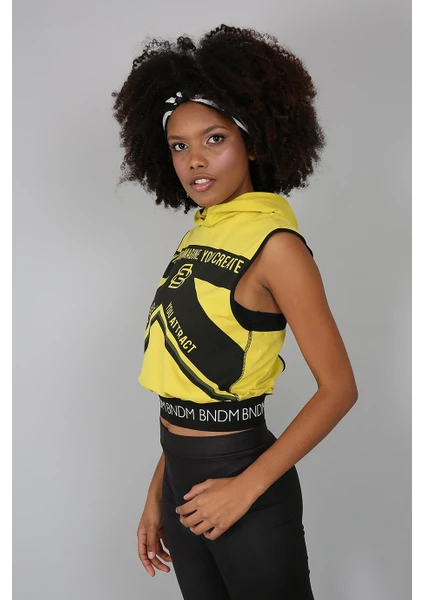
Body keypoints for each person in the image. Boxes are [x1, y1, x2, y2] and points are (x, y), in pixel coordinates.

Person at [112, 23, 358, 600]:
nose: (194, 160)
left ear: (254, 141)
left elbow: (339, 388)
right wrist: (158, 490)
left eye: (214, 138)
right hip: (181, 482)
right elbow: (189, 380)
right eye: (179, 145)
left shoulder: (277, 246)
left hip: (244, 483)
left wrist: (246, 488)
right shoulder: (200, 235)